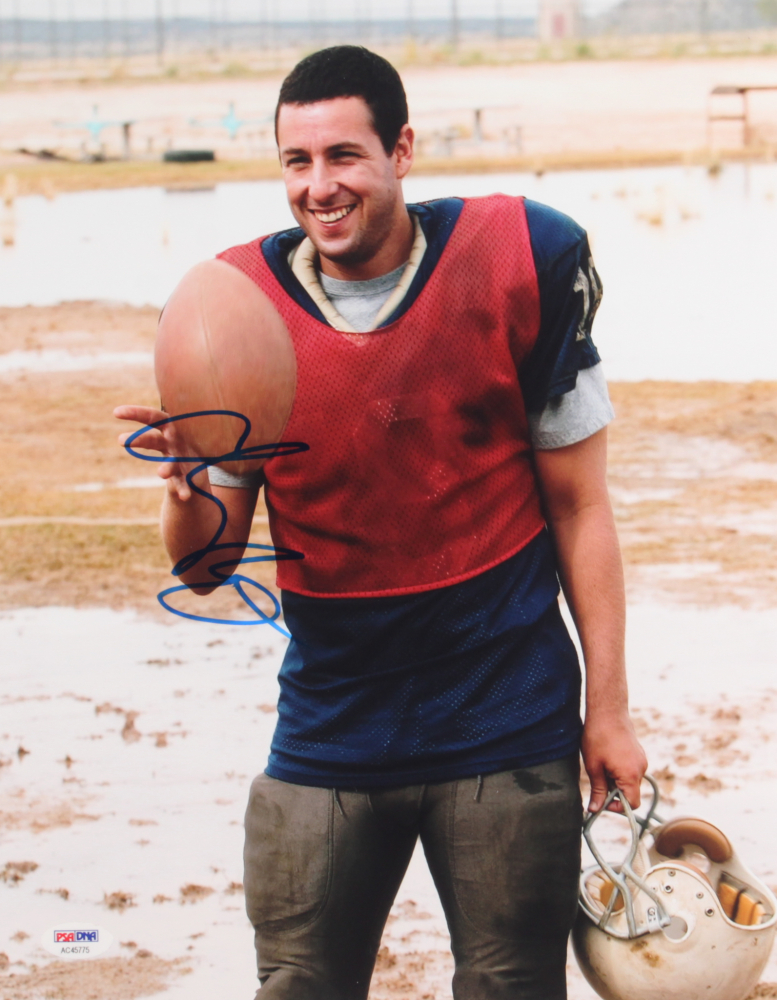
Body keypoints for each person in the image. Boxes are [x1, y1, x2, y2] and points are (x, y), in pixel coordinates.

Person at [116, 45, 647, 1000]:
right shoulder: (240, 309)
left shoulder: (520, 256)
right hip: (333, 719)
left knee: (510, 986)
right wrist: (185, 478)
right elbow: (206, 568)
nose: (319, 187)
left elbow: (579, 505)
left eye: (343, 156)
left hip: (505, 710)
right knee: (297, 984)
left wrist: (606, 711)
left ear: (401, 151)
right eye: (296, 161)